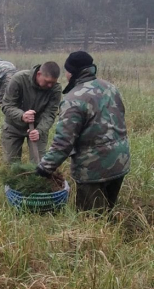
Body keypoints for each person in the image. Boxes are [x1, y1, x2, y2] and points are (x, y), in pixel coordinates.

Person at [36, 51, 130, 212]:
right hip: (120, 162)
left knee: (91, 219)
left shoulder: (73, 99)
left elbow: (63, 142)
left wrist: (44, 168)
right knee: (108, 211)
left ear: (71, 72)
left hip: (93, 169)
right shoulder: (111, 88)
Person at [0, 61, 62, 164]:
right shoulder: (19, 79)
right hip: (13, 126)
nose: (50, 85)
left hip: (37, 128)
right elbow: (6, 105)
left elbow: (50, 114)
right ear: (39, 74)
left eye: (53, 82)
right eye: (47, 82)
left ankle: (36, 179)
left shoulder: (55, 89)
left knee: (39, 164)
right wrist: (21, 115)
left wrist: (39, 130)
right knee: (11, 164)